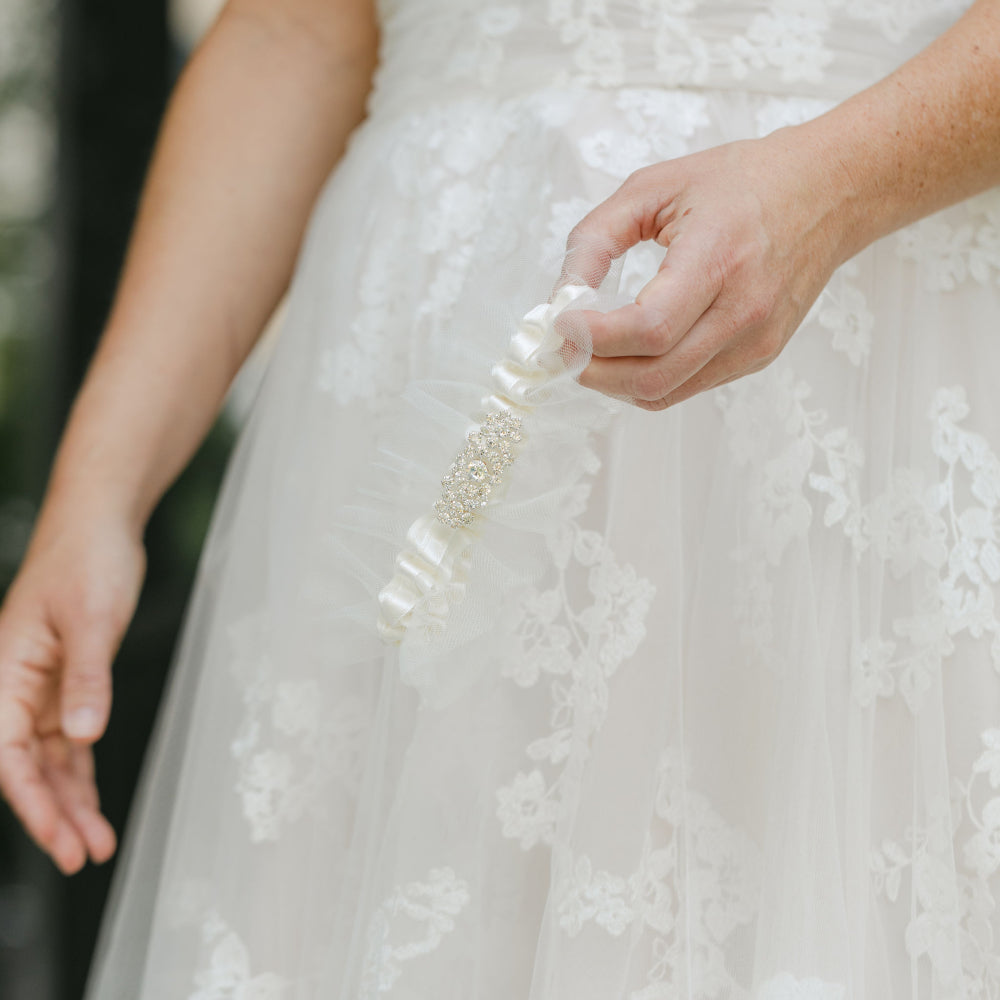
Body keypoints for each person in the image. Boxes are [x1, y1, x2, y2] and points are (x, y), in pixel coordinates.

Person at [1, 0, 999, 994]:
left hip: (861, 374)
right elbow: (293, 31)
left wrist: (836, 183)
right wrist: (97, 497)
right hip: (406, 395)